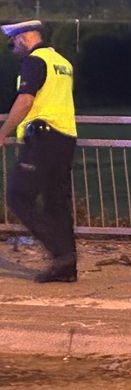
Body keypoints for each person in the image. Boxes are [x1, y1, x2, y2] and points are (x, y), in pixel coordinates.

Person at [0, 20, 78, 283]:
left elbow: (25, 101)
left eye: (13, 44)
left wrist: (3, 132)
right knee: (57, 203)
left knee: (18, 196)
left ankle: (60, 253)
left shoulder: (34, 62)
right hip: (65, 139)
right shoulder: (62, 62)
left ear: (23, 38)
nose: (13, 49)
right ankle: (67, 268)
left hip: (42, 140)